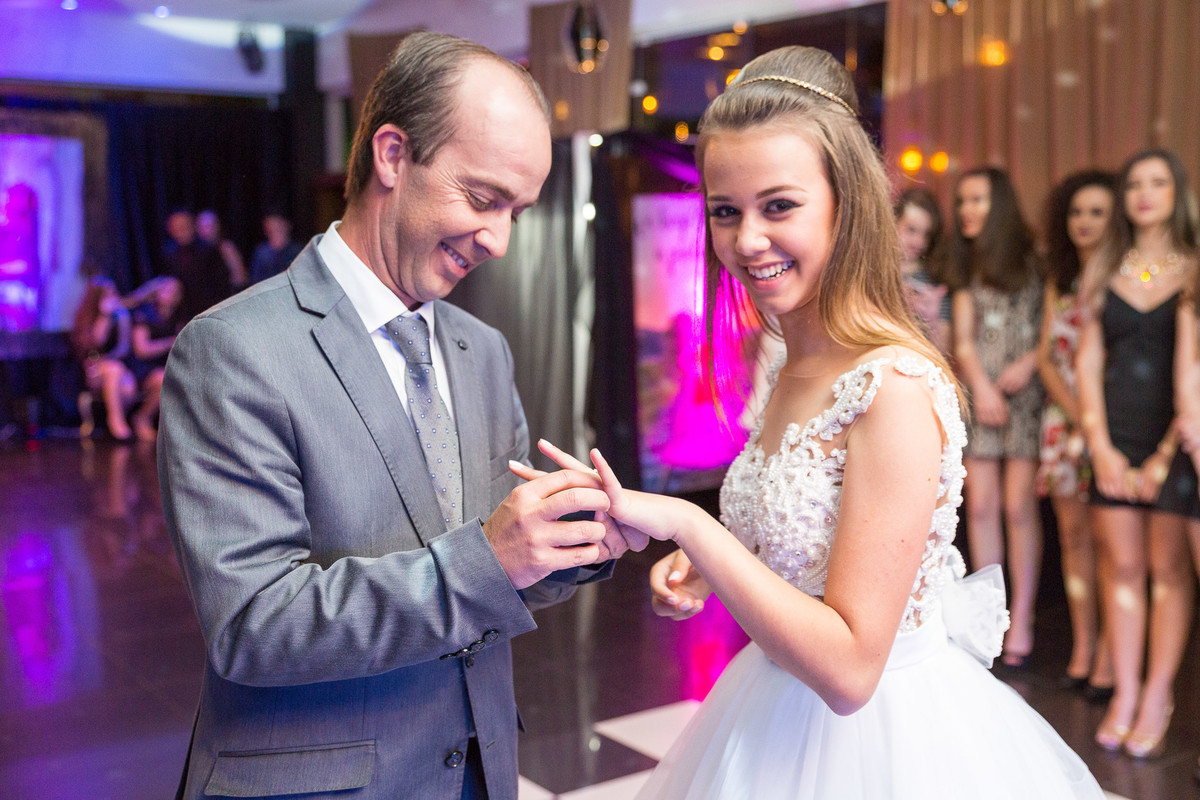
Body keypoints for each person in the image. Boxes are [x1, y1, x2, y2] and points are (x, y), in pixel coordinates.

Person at [520, 45, 1103, 799]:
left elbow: (852, 669)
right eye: (726, 212)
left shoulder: (891, 386)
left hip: (881, 743)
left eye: (779, 205)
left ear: (846, 202)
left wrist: (690, 528)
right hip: (770, 710)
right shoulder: (790, 361)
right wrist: (708, 568)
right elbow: (803, 537)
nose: (747, 240)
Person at [158, 32, 643, 800]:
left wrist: (574, 542)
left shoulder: (481, 349)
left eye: (517, 210)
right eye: (484, 199)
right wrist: (494, 556)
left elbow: (497, 576)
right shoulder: (231, 350)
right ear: (391, 155)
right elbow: (253, 628)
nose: (500, 240)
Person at [1076, 148, 1199, 758]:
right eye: (1135, 184)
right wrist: (1098, 445)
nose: (1145, 194)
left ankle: (1157, 693)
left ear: (1177, 191)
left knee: (1168, 573)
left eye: (1158, 182)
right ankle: (1123, 692)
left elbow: (1194, 371)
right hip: (1113, 437)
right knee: (1118, 568)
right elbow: (1088, 362)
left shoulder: (1196, 269)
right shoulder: (1106, 266)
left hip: (1175, 440)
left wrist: (1164, 453)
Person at [940, 166, 1045, 668]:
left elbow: (1051, 328)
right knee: (980, 507)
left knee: (1019, 507)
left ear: (999, 204)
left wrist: (1030, 364)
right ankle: (990, 615)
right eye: (962, 200)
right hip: (980, 397)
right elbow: (962, 339)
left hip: (1025, 399)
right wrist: (980, 386)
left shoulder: (1035, 264)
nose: (967, 210)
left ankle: (1022, 615)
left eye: (977, 199)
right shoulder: (963, 264)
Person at [1036, 171, 1116, 698]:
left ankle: (1112, 652)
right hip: (1063, 424)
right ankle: (1084, 645)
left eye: (1096, 212)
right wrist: (1073, 415)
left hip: (1111, 424)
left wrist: (1092, 423)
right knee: (1073, 537)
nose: (1084, 222)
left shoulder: (1125, 280)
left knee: (1114, 545)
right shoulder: (1060, 280)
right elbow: (1046, 358)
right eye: (1076, 212)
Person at [70, 275, 134, 439]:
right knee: (113, 370)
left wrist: (120, 317)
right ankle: (116, 423)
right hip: (92, 370)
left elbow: (124, 347)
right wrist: (104, 316)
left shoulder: (120, 316)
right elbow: (96, 342)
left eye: (113, 293)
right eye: (106, 295)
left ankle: (113, 421)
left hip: (117, 367)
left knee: (127, 387)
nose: (111, 299)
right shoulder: (87, 317)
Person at [124, 276, 184, 442]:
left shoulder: (176, 318)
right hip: (141, 368)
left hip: (164, 365)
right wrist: (169, 343)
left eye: (174, 291)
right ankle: (142, 418)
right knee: (162, 377)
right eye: (166, 289)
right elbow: (141, 349)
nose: (170, 294)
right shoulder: (145, 314)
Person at [894, 187, 950, 353]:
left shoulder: (934, 280)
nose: (919, 242)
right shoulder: (870, 271)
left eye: (926, 234)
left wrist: (930, 318)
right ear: (892, 222)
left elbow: (943, 352)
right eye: (911, 230)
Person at [162, 207, 232, 322]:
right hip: (184, 314)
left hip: (211, 310)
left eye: (183, 225)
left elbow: (222, 284)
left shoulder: (208, 250)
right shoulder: (169, 253)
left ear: (192, 225)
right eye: (176, 226)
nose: (180, 230)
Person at [196, 209, 248, 288]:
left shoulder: (226, 248)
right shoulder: (197, 252)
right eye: (202, 227)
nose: (206, 231)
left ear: (217, 227)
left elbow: (240, 278)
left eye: (209, 226)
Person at [248, 210, 303, 284]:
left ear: (287, 225)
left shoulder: (298, 251)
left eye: (278, 227)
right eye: (271, 227)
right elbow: (255, 280)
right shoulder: (262, 253)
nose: (275, 229)